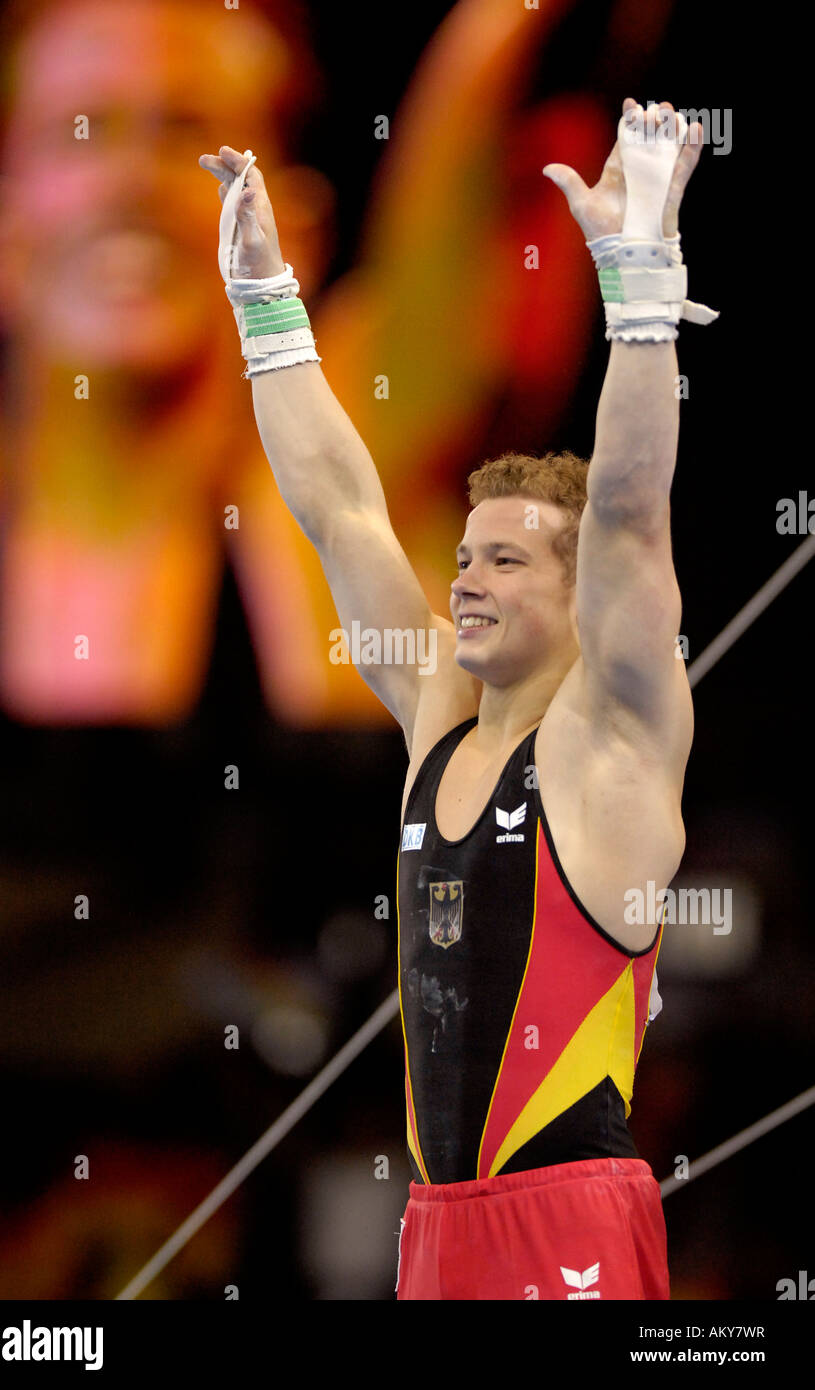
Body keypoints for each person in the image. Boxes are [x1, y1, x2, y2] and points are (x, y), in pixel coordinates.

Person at [199, 96, 716, 1300]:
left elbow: (634, 516)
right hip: (435, 1222)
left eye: (504, 561)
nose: (464, 581)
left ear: (575, 588)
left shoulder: (612, 740)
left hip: (567, 1216)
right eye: (464, 556)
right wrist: (268, 308)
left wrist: (639, 291)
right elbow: (337, 505)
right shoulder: (435, 708)